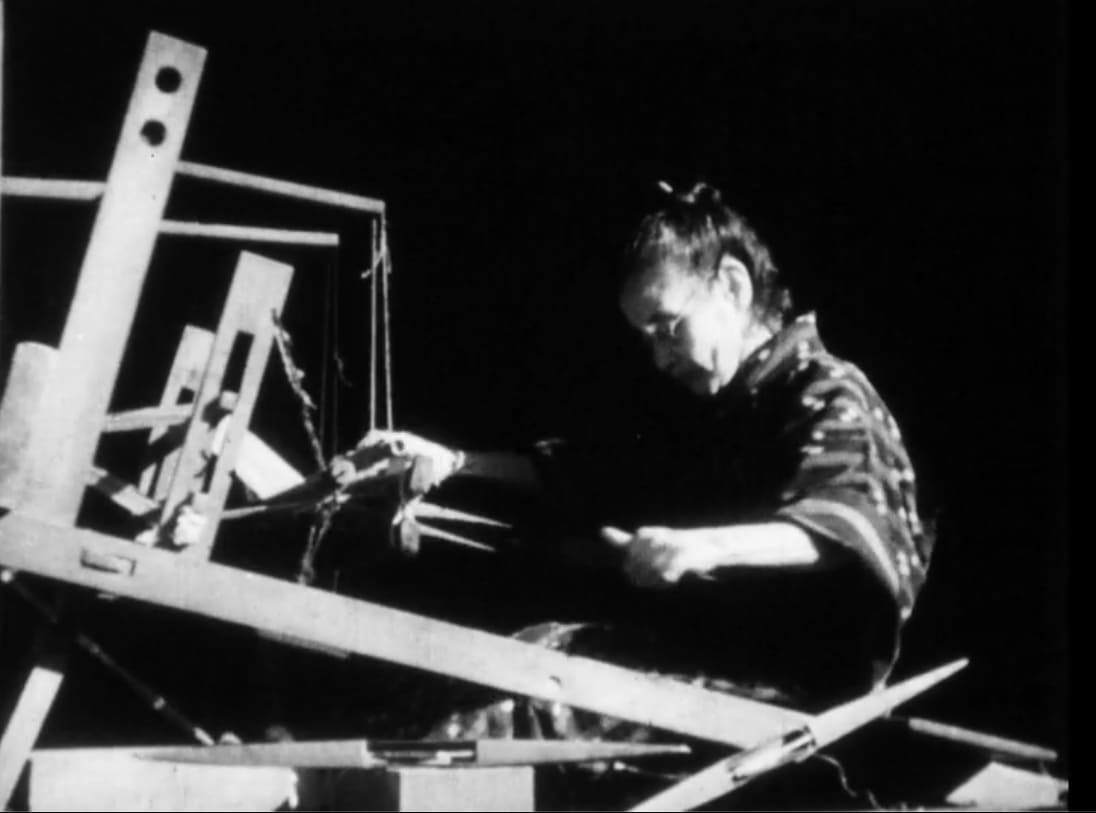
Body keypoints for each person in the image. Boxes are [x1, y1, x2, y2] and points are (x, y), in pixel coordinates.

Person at [337, 180, 934, 734]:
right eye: (646, 338)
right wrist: (455, 461)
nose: (660, 356)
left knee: (515, 712)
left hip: (789, 699)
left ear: (732, 286)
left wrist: (705, 546)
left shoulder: (828, 392)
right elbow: (592, 473)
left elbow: (844, 525)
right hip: (708, 666)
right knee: (498, 663)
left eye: (669, 327)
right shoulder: (716, 413)